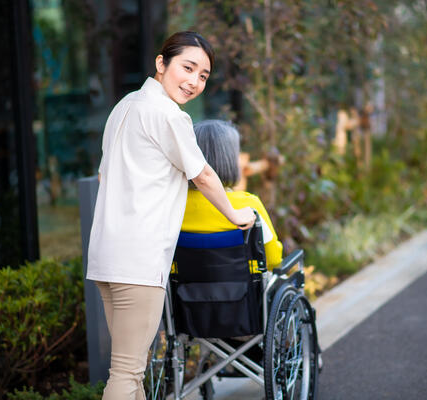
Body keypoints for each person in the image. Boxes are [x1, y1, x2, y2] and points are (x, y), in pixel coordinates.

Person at [86, 32, 255, 400]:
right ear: (161, 64)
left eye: (204, 75)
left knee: (131, 372)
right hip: (138, 261)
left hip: (105, 257)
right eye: (188, 68)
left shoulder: (124, 107)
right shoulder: (168, 115)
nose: (194, 81)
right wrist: (234, 214)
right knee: (127, 374)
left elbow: (104, 176)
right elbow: (205, 175)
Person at [181, 119, 283, 269]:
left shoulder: (177, 204)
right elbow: (274, 259)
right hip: (242, 290)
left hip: (186, 290)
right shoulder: (248, 205)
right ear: (230, 161)